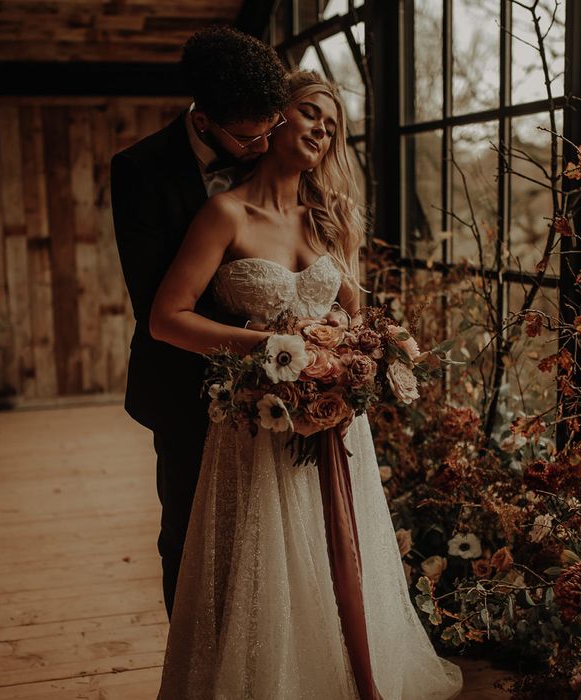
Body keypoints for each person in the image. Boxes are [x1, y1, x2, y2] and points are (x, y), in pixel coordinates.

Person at [150, 70, 463, 699]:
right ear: (273, 119)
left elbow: (351, 313)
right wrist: (269, 347)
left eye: (333, 124)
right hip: (259, 416)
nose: (322, 128)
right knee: (265, 562)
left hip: (335, 416)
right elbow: (167, 319)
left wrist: (371, 348)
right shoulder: (225, 212)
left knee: (336, 546)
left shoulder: (329, 219)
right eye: (310, 112)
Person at [110, 27, 289, 619]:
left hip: (281, 386)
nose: (264, 145)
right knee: (188, 538)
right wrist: (266, 341)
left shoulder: (274, 154)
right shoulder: (140, 170)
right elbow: (154, 304)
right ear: (205, 118)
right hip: (186, 383)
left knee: (268, 538)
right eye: (249, 135)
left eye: (272, 129)